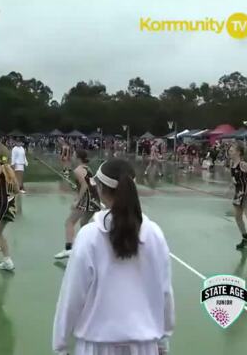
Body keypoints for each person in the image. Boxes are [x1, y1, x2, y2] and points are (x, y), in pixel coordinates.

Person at [52, 159, 174, 355]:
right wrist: (163, 342)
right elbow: (164, 293)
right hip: (144, 347)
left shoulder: (88, 236)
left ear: (100, 189)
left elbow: (72, 296)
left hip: (96, 347)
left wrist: (61, 345)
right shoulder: (154, 234)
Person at [54, 150, 102, 260]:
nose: (73, 156)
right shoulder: (87, 168)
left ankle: (68, 248)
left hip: (87, 200)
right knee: (84, 222)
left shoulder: (78, 170)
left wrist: (77, 200)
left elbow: (85, 186)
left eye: (74, 155)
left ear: (79, 157)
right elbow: (91, 184)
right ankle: (88, 246)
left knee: (69, 222)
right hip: (95, 199)